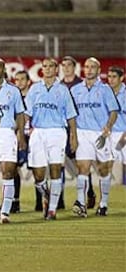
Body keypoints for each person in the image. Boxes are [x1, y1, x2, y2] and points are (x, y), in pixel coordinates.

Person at [24, 57, 78, 220]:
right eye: (44, 66)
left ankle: (52, 210)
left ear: (56, 70)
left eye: (50, 66)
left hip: (57, 132)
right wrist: (25, 129)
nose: (47, 69)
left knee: (56, 170)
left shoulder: (62, 90)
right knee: (38, 174)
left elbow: (71, 116)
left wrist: (73, 137)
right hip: (38, 132)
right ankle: (45, 193)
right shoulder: (34, 89)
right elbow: (27, 112)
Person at [71, 58, 119, 217]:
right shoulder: (76, 90)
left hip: (100, 134)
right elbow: (70, 113)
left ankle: (103, 203)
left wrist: (108, 127)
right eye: (87, 67)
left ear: (99, 70)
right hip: (82, 133)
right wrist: (72, 133)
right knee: (82, 168)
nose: (89, 70)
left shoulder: (105, 89)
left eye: (93, 67)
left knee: (104, 170)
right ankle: (81, 203)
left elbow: (114, 111)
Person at [0, 58, 26, 223]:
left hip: (7, 134)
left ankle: (5, 212)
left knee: (8, 172)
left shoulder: (13, 91)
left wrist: (21, 134)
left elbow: (20, 114)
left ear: (3, 69)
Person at [60, 56, 94, 210]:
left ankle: (89, 192)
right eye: (64, 65)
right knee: (58, 162)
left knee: (81, 163)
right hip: (61, 129)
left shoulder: (81, 85)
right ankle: (59, 199)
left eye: (69, 65)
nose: (66, 68)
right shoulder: (58, 85)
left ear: (75, 67)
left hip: (78, 129)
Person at [12, 70, 33, 213]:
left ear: (28, 81)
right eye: (16, 80)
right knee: (15, 168)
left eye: (22, 79)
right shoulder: (13, 97)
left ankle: (41, 201)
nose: (19, 82)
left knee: (39, 169)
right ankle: (15, 201)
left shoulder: (34, 96)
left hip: (32, 136)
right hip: (17, 136)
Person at [107, 66, 126, 188]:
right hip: (109, 134)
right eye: (109, 77)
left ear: (122, 78)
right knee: (106, 164)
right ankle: (104, 199)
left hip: (123, 134)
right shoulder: (106, 93)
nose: (111, 80)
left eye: (114, 77)